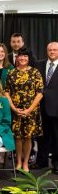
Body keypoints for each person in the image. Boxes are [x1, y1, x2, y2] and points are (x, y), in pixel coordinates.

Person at [5, 47, 43, 172]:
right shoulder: (11, 73)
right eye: (20, 56)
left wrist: (29, 110)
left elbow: (40, 93)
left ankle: (26, 162)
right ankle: (18, 162)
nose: (22, 58)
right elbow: (6, 92)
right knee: (17, 137)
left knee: (27, 137)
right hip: (15, 111)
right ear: (17, 57)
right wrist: (14, 109)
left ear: (28, 58)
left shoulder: (35, 72)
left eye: (25, 56)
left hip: (31, 112)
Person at [34, 42, 58, 173]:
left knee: (56, 137)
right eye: (50, 50)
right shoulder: (39, 64)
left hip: (56, 108)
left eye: (55, 50)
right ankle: (41, 161)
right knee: (42, 136)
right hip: (41, 107)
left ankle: (56, 163)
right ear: (47, 51)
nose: (52, 52)